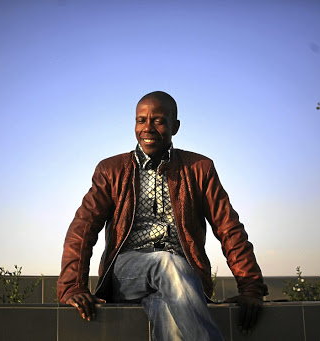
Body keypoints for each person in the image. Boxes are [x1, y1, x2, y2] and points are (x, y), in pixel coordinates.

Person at [57, 91, 268, 340]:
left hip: (183, 280)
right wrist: (73, 286)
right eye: (140, 120)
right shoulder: (111, 170)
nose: (147, 128)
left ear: (175, 126)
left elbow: (228, 227)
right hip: (127, 273)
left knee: (170, 314)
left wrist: (251, 287)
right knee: (166, 262)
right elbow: (83, 227)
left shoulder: (200, 169)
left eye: (158, 120)